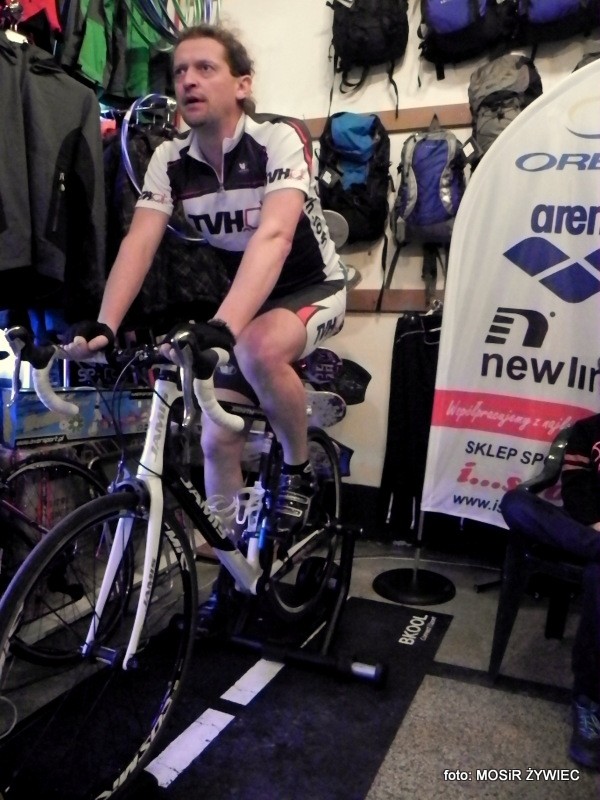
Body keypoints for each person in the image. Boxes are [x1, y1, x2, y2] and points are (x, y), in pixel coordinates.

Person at [64, 23, 347, 631]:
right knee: (218, 436)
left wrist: (221, 327)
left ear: (242, 84)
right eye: (179, 72)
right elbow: (139, 244)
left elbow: (274, 236)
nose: (187, 80)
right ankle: (236, 572)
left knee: (258, 347)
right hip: (244, 299)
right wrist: (106, 326)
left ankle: (297, 468)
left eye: (205, 68)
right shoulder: (169, 159)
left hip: (311, 287)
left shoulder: (278, 138)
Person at [500, 414, 600, 771]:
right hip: (587, 531)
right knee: (515, 504)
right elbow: (575, 490)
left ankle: (588, 698)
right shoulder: (587, 431)